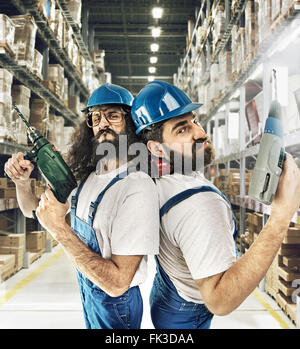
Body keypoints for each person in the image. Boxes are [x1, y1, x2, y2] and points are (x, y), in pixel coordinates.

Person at [130, 80, 300, 329]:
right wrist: (281, 216)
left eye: (194, 121)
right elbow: (220, 301)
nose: (200, 133)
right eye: (181, 130)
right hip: (186, 315)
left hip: (167, 298)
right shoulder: (200, 204)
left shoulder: (158, 180)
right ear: (156, 148)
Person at [4, 83, 159, 329]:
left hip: (117, 307)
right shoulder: (88, 177)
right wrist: (22, 184)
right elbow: (33, 211)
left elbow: (118, 284)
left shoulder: (136, 185)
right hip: (90, 294)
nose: (103, 124)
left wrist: (59, 230)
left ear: (130, 123)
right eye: (96, 118)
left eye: (113, 115)